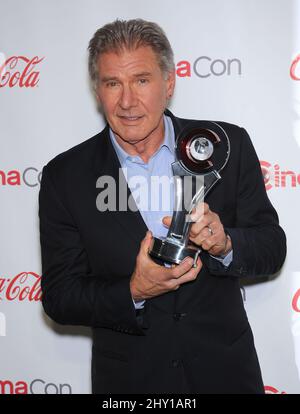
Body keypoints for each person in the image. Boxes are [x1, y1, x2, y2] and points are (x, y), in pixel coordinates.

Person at [39, 19, 286, 394]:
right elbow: (60, 297)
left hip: (226, 375)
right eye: (112, 83)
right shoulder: (65, 176)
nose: (127, 101)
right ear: (97, 90)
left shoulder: (226, 145)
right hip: (131, 383)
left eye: (141, 80)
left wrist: (225, 243)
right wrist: (134, 290)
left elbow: (272, 246)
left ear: (168, 83)